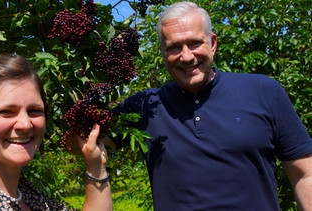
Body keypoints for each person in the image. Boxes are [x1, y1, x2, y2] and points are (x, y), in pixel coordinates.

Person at [105, 1, 312, 210]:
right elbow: (86, 140)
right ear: (162, 51)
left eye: (194, 43)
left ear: (212, 43)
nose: (186, 57)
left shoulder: (264, 92)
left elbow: (306, 174)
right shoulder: (145, 107)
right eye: (174, 47)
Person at [0, 54, 112, 211]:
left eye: (34, 111)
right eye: (6, 112)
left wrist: (96, 166)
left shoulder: (27, 194)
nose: (25, 124)